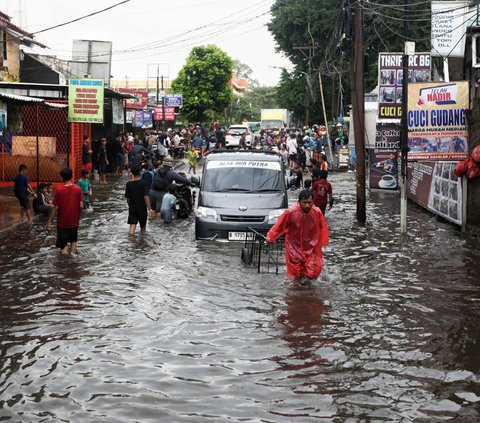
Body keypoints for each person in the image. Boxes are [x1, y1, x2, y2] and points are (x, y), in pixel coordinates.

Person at [266, 189, 329, 285]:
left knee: (313, 270)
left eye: (309, 202)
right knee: (296, 272)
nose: (307, 205)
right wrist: (270, 237)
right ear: (299, 202)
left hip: (311, 246)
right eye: (304, 203)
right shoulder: (290, 212)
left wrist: (322, 242)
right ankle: (298, 291)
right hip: (294, 246)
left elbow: (322, 228)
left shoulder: (317, 212)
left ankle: (306, 291)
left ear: (313, 202)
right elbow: (279, 226)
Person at [47, 168, 84, 255]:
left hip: (62, 223)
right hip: (74, 222)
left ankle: (64, 266)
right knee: (73, 243)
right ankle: (72, 265)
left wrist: (49, 221)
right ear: (71, 176)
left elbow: (55, 207)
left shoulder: (59, 190)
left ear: (62, 177)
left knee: (63, 248)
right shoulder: (78, 189)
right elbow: (81, 206)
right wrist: (78, 216)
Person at [125, 165, 152, 235]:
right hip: (142, 209)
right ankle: (141, 241)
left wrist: (130, 206)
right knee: (143, 228)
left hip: (132, 208)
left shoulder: (128, 184)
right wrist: (149, 209)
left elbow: (128, 198)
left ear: (132, 173)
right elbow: (146, 197)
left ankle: (131, 241)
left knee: (132, 227)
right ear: (140, 172)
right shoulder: (143, 183)